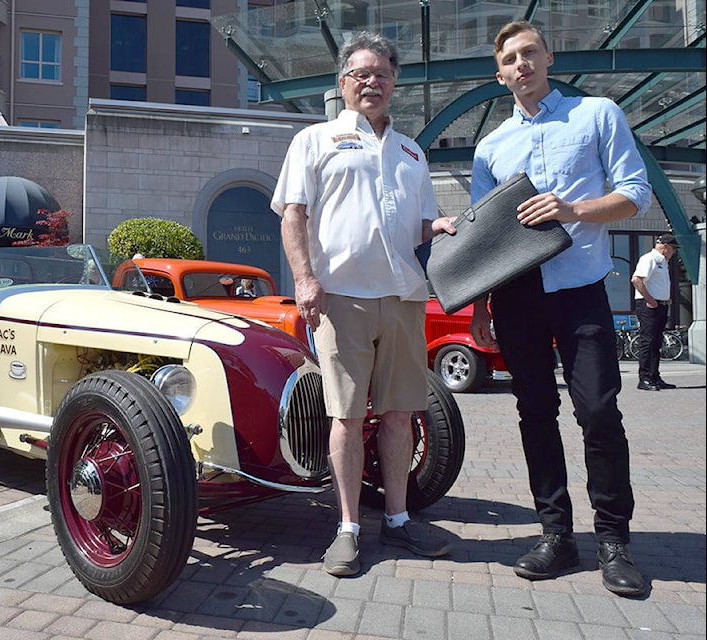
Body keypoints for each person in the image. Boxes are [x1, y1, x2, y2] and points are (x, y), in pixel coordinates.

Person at [468, 20, 652, 597]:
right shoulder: (491, 147)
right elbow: (482, 237)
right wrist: (478, 308)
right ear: (500, 76)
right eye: (510, 60)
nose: (521, 65)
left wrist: (571, 210)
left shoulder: (597, 115)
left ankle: (614, 541)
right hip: (516, 294)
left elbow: (636, 193)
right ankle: (556, 535)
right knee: (534, 413)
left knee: (597, 411)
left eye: (530, 53)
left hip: (581, 288)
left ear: (548, 57)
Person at [272, 30, 456, 577]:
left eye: (382, 73)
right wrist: (305, 279)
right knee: (347, 417)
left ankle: (397, 520)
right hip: (341, 299)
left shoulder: (410, 150)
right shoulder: (316, 139)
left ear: (394, 83)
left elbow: (421, 222)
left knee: (401, 414)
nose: (372, 81)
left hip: (403, 297)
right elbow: (293, 214)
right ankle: (348, 528)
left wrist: (441, 225)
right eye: (361, 73)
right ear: (342, 83)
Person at [631, 233, 679, 391]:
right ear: (665, 247)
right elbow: (637, 280)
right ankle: (644, 378)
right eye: (673, 249)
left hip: (660, 304)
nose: (674, 252)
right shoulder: (650, 258)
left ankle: (654, 376)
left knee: (656, 342)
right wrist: (651, 300)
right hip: (649, 305)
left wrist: (665, 298)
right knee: (648, 341)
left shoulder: (663, 261)